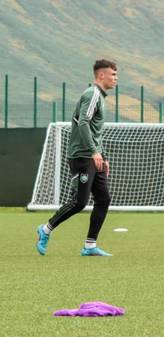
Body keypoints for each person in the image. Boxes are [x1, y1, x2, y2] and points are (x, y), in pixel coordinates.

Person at [35, 59, 118, 256]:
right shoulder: (92, 95)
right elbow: (83, 123)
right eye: (113, 75)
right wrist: (93, 151)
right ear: (101, 75)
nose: (116, 79)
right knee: (79, 202)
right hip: (82, 156)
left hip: (93, 155)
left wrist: (102, 156)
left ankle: (90, 246)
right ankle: (45, 229)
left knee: (103, 199)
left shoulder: (100, 97)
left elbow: (94, 131)